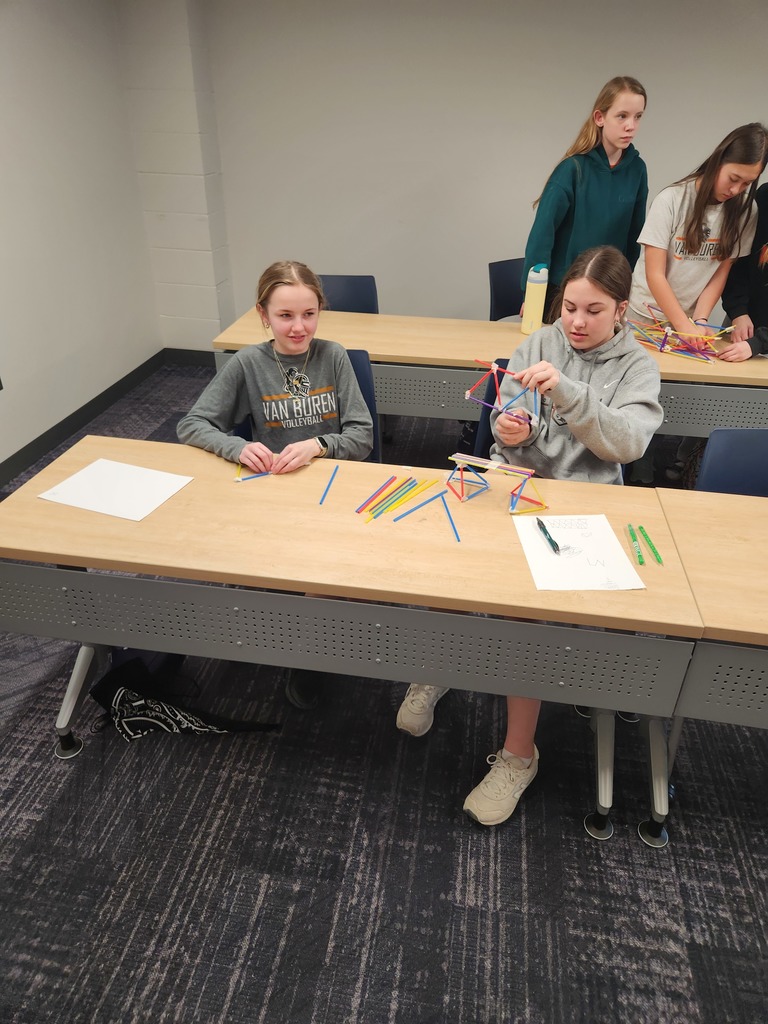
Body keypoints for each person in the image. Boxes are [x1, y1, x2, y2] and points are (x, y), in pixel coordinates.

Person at [397, 247, 664, 825]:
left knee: (526, 618)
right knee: (451, 571)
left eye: (594, 310)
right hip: (516, 487)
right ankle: (440, 667)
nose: (576, 321)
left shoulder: (637, 367)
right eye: (569, 306)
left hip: (583, 508)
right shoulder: (537, 343)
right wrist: (509, 426)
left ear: (622, 310)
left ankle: (520, 755)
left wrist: (567, 393)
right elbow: (509, 428)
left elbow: (626, 444)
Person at [178, 259, 373, 708]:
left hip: (330, 488)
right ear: (263, 315)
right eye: (285, 315)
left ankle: (310, 656)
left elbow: (362, 436)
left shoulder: (333, 356)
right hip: (275, 492)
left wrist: (319, 444)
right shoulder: (249, 362)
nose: (299, 327)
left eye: (309, 314)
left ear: (320, 311)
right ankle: (281, 626)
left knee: (319, 575)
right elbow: (193, 424)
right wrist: (236, 447)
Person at [627, 122, 767, 482]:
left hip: (689, 322)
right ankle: (636, 466)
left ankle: (673, 460)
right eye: (733, 178)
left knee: (684, 395)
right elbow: (655, 274)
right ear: (720, 159)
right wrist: (683, 323)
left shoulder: (744, 212)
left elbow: (720, 273)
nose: (736, 189)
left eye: (746, 184)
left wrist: (701, 319)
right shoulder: (672, 199)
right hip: (645, 320)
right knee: (638, 393)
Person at [522, 76, 648, 319]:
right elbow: (541, 237)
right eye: (622, 116)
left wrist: (623, 293)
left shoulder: (638, 170)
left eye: (638, 116)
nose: (631, 126)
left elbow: (634, 239)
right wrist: (532, 297)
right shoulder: (572, 169)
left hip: (607, 293)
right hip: (563, 295)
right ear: (600, 118)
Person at [718, 181, 768, 361]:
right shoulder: (764, 196)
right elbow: (739, 261)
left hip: (757, 343)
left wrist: (758, 343)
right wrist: (738, 310)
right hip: (743, 324)